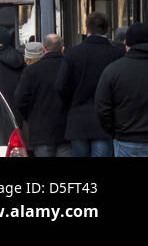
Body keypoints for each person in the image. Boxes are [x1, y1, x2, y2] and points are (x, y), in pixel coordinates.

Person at [56, 12, 122, 157]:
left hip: (78, 119)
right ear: (107, 29)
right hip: (106, 120)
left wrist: (72, 103)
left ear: (87, 30)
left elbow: (61, 86)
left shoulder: (73, 53)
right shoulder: (117, 54)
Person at [95, 22, 148, 157]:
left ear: (127, 44)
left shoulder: (113, 70)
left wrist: (114, 131)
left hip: (126, 138)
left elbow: (102, 108)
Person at [14, 35, 69, 157]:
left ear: (43, 49)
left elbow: (19, 99)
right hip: (66, 129)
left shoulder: (32, 71)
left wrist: (30, 116)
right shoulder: (70, 67)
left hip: (41, 130)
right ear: (63, 49)